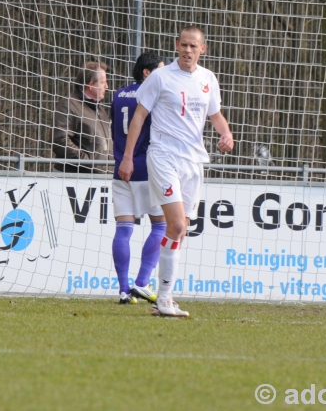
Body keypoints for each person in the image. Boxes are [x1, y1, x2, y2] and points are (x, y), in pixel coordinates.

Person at [119, 26, 234, 317]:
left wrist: (226, 134)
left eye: (193, 46)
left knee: (179, 231)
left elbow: (215, 114)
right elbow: (139, 116)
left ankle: (164, 297)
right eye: (183, 45)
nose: (187, 50)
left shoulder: (208, 79)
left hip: (193, 162)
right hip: (163, 156)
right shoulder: (160, 77)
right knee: (177, 226)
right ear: (176, 45)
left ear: (202, 49)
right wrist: (128, 157)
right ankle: (165, 298)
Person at [110, 53, 168, 305]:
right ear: (147, 73)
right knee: (161, 226)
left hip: (121, 168)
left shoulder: (118, 94)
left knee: (123, 229)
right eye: (160, 71)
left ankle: (124, 289)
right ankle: (142, 283)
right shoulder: (152, 97)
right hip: (144, 168)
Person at [52, 60, 112, 174]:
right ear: (90, 85)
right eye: (103, 82)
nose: (107, 86)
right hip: (75, 178)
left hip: (99, 177)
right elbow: (59, 140)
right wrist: (88, 162)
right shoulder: (68, 105)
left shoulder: (100, 109)